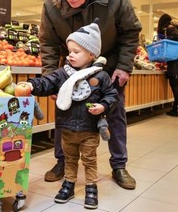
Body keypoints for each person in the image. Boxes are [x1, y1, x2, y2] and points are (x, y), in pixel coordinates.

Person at [39, 0, 142, 190]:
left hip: (110, 66)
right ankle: (62, 162)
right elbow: (47, 43)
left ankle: (119, 165)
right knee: (65, 114)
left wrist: (125, 66)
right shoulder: (51, 4)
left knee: (114, 114)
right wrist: (50, 76)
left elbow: (130, 32)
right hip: (71, 68)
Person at [21, 19, 119, 209]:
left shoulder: (100, 76)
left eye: (76, 52)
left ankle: (91, 187)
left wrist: (103, 107)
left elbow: (112, 96)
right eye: (69, 51)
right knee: (69, 159)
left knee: (89, 160)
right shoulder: (63, 74)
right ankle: (69, 184)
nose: (70, 56)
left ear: (91, 54)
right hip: (66, 127)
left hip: (89, 128)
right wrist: (32, 85)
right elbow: (47, 82)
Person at [157, 13, 178, 116]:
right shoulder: (175, 29)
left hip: (176, 64)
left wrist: (164, 41)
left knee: (174, 85)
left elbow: (173, 40)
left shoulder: (171, 29)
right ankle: (177, 108)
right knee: (175, 85)